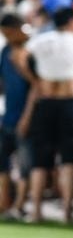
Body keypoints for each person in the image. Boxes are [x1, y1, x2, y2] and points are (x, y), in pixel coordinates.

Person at [25, 7, 73, 223]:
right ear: (72, 22)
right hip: (70, 103)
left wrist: (35, 79)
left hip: (45, 100)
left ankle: (36, 211)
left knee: (40, 159)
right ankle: (67, 211)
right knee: (70, 157)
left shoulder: (40, 41)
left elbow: (22, 58)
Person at [0, 14, 32, 216]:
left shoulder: (32, 51)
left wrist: (26, 118)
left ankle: (19, 206)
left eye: (8, 33)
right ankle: (4, 204)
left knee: (25, 164)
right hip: (8, 116)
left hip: (27, 116)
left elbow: (37, 87)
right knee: (2, 161)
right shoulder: (5, 51)